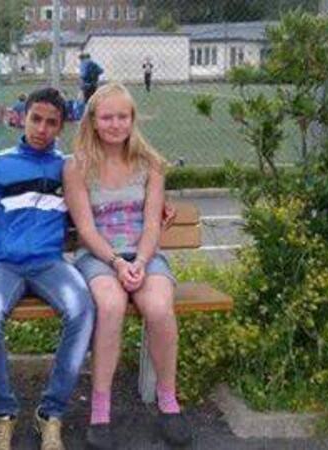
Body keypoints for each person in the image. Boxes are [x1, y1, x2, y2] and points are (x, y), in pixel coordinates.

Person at [0, 87, 95, 450]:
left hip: (50, 264)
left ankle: (50, 414)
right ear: (23, 117)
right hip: (4, 266)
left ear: (61, 127)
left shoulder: (68, 168)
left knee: (83, 309)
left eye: (51, 123)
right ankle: (3, 413)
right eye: (36, 119)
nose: (41, 128)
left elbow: (95, 205)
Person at [63, 82, 191, 449]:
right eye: (107, 117)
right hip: (99, 257)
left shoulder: (151, 164)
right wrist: (118, 262)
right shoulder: (76, 167)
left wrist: (142, 261)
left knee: (159, 308)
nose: (115, 124)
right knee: (111, 305)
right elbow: (86, 229)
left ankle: (168, 401)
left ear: (133, 119)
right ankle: (100, 409)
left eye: (123, 116)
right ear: (93, 120)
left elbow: (151, 224)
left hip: (145, 255)